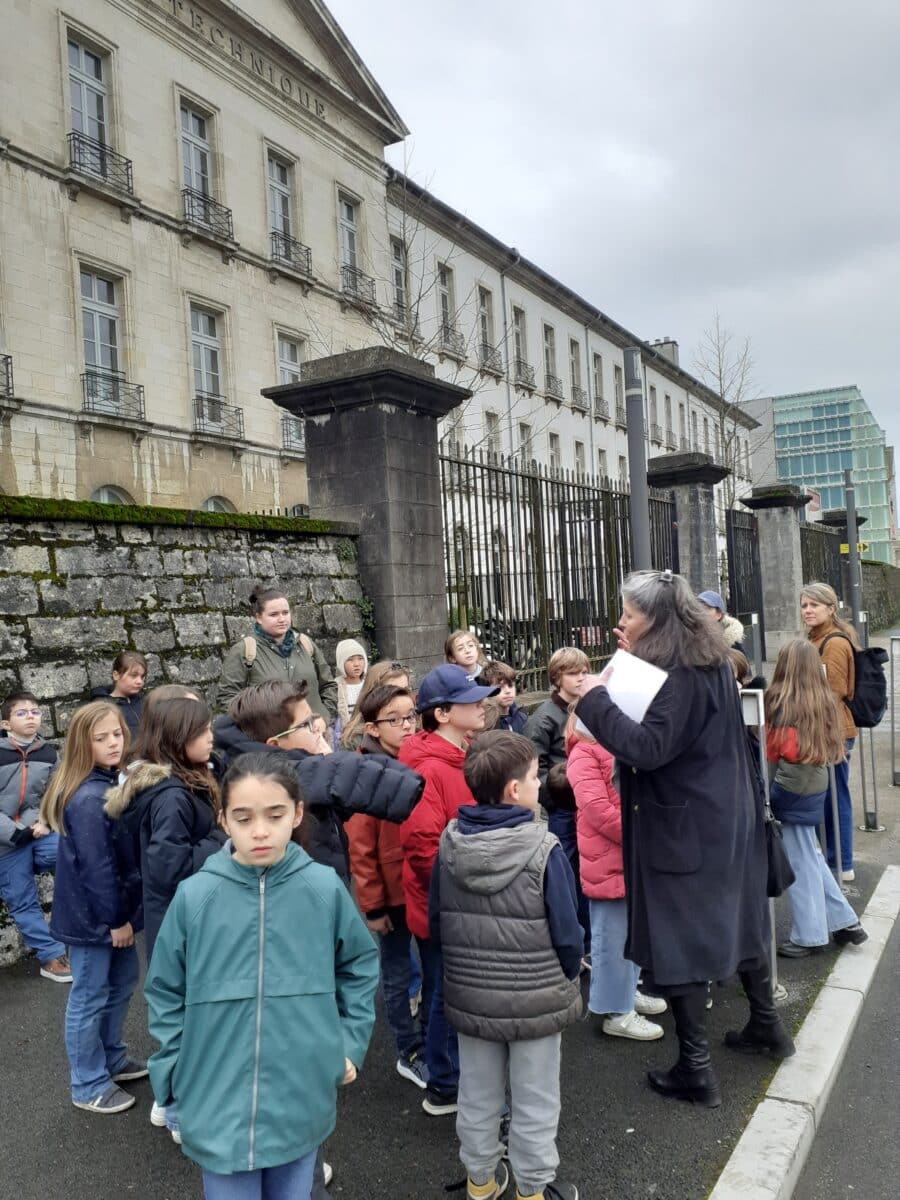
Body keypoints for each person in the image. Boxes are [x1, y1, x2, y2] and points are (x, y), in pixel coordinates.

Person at [577, 569, 794, 1108]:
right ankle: (767, 1024)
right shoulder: (709, 656)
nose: (621, 621)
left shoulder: (675, 673)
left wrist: (594, 699)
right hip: (727, 816)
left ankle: (695, 1068)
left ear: (656, 619)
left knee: (681, 941)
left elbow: (648, 748)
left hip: (684, 828)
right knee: (741, 919)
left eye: (629, 613)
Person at [145, 751, 380, 1200]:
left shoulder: (323, 888)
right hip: (214, 1098)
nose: (259, 831)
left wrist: (349, 1043)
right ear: (223, 820)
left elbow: (359, 965)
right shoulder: (195, 896)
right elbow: (164, 989)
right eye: (243, 817)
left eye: (274, 815)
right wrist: (173, 1069)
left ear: (297, 814)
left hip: (301, 1096)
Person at [431, 730, 583, 1200]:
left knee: (477, 1095)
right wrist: (570, 974)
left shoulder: (449, 845)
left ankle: (480, 1182)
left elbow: (437, 922)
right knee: (535, 1098)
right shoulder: (544, 849)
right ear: (515, 790)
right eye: (535, 777)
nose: (540, 784)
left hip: (472, 996)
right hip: (536, 999)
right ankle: (533, 1189)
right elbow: (568, 933)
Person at [399, 664, 499, 1117]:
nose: (482, 703)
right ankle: (444, 1083)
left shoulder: (459, 754)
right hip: (446, 903)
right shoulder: (430, 769)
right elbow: (423, 848)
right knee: (445, 992)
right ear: (441, 713)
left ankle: (451, 1075)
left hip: (459, 898)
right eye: (470, 699)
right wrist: (463, 892)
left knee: (451, 989)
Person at [213, 680, 424, 886]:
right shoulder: (270, 783)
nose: (318, 729)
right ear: (275, 744)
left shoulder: (308, 766)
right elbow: (347, 773)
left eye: (314, 719)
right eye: (306, 725)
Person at [40, 701, 145, 1114]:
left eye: (116, 734)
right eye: (101, 738)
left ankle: (110, 1058)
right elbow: (98, 867)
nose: (113, 743)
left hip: (107, 915)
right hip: (94, 921)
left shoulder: (108, 783)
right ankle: (87, 1082)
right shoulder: (88, 797)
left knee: (120, 983)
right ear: (83, 745)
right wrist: (116, 920)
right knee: (89, 995)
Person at [345, 684, 428, 1088]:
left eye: (410, 716)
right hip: (392, 893)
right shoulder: (365, 772)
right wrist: (373, 907)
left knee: (431, 967)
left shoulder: (416, 757)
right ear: (373, 728)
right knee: (396, 972)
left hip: (421, 882)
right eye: (394, 720)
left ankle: (430, 1039)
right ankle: (408, 1050)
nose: (406, 725)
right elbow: (360, 849)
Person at [765, 639, 868, 957]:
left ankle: (809, 936)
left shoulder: (781, 702)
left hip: (788, 788)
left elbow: (774, 751)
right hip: (813, 784)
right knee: (809, 854)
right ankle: (845, 921)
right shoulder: (821, 700)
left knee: (800, 861)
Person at [566, 716, 665, 1041]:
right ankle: (617, 1012)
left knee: (631, 935)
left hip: (626, 857)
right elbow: (598, 810)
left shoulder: (613, 746)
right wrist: (642, 828)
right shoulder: (583, 752)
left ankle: (626, 994)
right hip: (609, 859)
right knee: (611, 940)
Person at [105, 698, 225, 967]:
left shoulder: (188, 779)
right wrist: (221, 836)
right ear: (177, 737)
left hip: (189, 919)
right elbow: (169, 870)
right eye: (202, 731)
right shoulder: (172, 798)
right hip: (182, 927)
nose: (211, 738)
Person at [0, 690, 70, 981]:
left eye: (35, 711)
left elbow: (55, 794)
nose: (31, 717)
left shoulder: (48, 753)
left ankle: (82, 927)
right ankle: (51, 958)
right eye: (21, 713)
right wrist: (14, 834)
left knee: (75, 852)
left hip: (37, 833)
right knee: (22, 899)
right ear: (5, 724)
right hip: (6, 844)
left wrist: (45, 820)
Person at [525, 648, 591, 955]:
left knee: (586, 872)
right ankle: (577, 939)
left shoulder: (586, 707)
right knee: (569, 873)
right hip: (563, 809)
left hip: (585, 805)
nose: (581, 678)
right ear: (556, 677)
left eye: (584, 672)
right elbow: (533, 768)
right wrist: (557, 797)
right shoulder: (543, 718)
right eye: (573, 673)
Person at [800, 581, 858, 881]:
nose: (807, 610)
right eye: (804, 605)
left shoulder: (833, 643)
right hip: (823, 729)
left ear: (831, 608)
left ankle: (842, 862)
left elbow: (833, 692)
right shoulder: (815, 638)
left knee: (835, 798)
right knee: (826, 798)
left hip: (832, 730)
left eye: (814, 605)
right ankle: (834, 859)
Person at [218, 584, 338, 721]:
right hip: (270, 733)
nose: (282, 619)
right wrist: (256, 726)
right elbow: (227, 698)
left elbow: (328, 685)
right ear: (258, 617)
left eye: (285, 613)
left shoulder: (305, 644)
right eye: (273, 614)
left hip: (316, 730)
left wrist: (326, 717)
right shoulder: (245, 650)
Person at [340, 660, 412, 750]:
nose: (402, 696)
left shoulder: (415, 722)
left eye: (405, 690)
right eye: (392, 692)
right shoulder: (355, 740)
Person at [90, 651, 147, 737]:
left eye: (142, 677)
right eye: (133, 675)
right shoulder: (102, 708)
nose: (140, 681)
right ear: (116, 675)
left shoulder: (145, 702)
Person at [333, 637, 369, 747]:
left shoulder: (369, 683)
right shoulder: (335, 687)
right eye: (350, 660)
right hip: (346, 739)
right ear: (341, 663)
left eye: (360, 658)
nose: (356, 664)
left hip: (367, 735)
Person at [480, 661, 527, 732]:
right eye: (500, 687)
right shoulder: (485, 724)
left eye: (510, 685)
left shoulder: (522, 717)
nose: (508, 691)